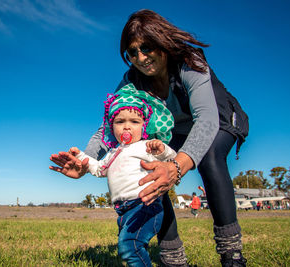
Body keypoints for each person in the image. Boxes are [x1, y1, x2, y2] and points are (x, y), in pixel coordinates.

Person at [51, 9, 248, 267]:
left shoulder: (190, 61)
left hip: (218, 120)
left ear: (162, 43)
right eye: (132, 53)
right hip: (176, 133)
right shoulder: (130, 82)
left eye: (146, 48)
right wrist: (85, 161)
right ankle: (173, 258)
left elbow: (206, 120)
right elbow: (108, 128)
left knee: (209, 157)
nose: (140, 58)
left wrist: (176, 167)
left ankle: (231, 255)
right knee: (148, 169)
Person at [51, 85, 178, 266]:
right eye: (120, 122)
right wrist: (80, 156)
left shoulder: (147, 145)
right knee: (134, 245)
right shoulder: (113, 153)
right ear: (111, 127)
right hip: (123, 209)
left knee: (129, 246)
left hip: (144, 204)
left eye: (134, 122)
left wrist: (162, 148)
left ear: (144, 126)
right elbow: (98, 169)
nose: (127, 126)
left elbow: (172, 159)